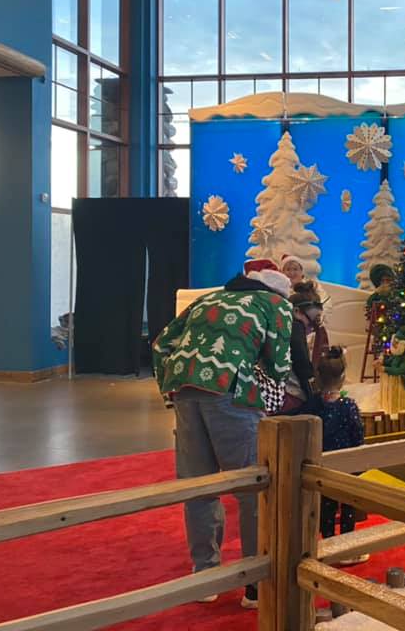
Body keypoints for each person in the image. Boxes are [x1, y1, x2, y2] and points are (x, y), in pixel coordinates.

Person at [152, 258, 293, 608]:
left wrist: (168, 390)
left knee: (199, 486)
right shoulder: (275, 304)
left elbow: (161, 344)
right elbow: (279, 364)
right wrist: (270, 389)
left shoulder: (210, 298)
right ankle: (255, 584)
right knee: (252, 487)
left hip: (184, 388)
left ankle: (206, 576)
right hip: (231, 390)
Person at [284, 346, 369, 564]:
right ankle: (346, 550)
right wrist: (360, 461)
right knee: (348, 505)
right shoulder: (348, 406)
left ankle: (328, 546)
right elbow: (358, 434)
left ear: (319, 377)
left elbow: (295, 418)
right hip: (347, 465)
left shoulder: (313, 404)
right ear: (343, 377)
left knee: (326, 507)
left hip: (321, 465)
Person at [279, 280, 326, 414]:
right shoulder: (296, 327)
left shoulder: (283, 324)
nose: (311, 327)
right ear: (296, 311)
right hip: (289, 396)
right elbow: (302, 364)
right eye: (311, 321)